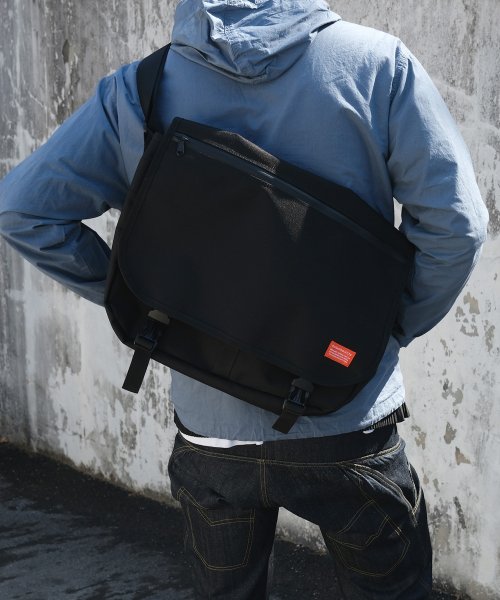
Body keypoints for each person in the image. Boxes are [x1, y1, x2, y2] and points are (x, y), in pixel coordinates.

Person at [0, 1, 489, 598]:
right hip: (344, 410)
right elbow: (458, 227)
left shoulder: (142, 87)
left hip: (211, 427)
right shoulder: (378, 66)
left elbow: (23, 210)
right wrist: (385, 328)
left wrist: (136, 294)